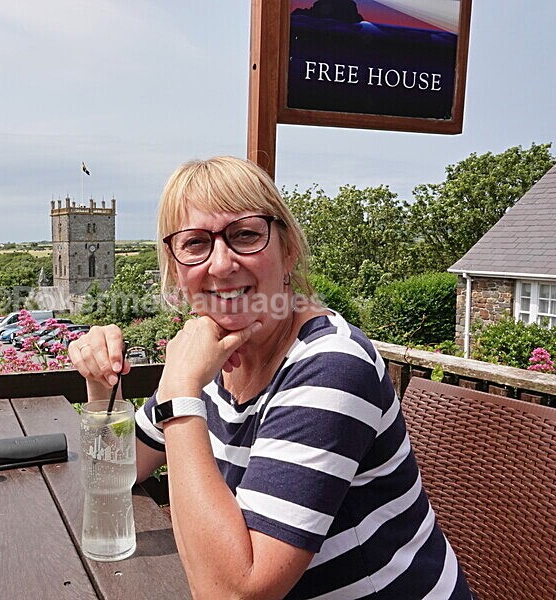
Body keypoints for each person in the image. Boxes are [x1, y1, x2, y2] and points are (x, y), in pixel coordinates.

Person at [68, 156, 473, 599]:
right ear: (176, 266)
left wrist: (180, 394)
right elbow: (111, 474)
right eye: (195, 243)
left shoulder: (331, 363)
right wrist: (103, 386)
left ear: (288, 249)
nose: (221, 264)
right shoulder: (210, 357)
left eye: (245, 235)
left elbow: (234, 593)